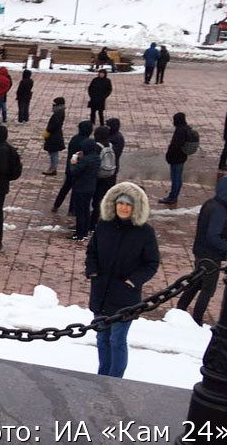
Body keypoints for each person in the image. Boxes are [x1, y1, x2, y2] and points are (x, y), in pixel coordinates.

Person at [87, 182, 159, 378]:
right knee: (102, 338)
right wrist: (92, 271)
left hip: (124, 297)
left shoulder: (145, 232)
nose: (124, 208)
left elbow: (151, 263)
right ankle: (103, 376)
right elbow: (92, 251)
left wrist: (132, 281)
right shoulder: (104, 225)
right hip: (101, 292)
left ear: (136, 207)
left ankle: (115, 379)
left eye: (129, 204)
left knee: (117, 340)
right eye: (120, 203)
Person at [178, 177, 227, 325]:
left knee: (196, 282)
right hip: (210, 256)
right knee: (207, 289)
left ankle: (180, 309)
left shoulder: (211, 204)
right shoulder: (219, 210)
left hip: (201, 252)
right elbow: (213, 236)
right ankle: (197, 319)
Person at [53, 120, 93, 212]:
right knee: (75, 190)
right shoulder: (86, 142)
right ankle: (72, 210)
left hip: (70, 166)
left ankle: (56, 205)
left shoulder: (75, 138)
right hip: (79, 169)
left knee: (66, 187)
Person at [69, 139, 101, 241]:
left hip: (81, 188)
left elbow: (74, 172)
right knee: (86, 210)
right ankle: (85, 232)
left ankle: (79, 234)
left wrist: (73, 162)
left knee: (80, 212)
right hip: (91, 187)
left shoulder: (85, 160)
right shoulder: (96, 158)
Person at [161, 112, 192, 204]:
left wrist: (169, 155)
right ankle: (174, 195)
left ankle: (173, 197)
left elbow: (175, 145)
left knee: (175, 178)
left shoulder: (180, 131)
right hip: (182, 157)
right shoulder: (186, 129)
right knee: (178, 177)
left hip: (176, 157)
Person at [92, 126, 118, 229]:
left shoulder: (97, 147)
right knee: (104, 199)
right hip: (109, 175)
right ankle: (103, 218)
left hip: (98, 176)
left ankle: (93, 222)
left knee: (95, 201)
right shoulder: (110, 145)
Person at [42, 97, 67, 175]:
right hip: (55, 135)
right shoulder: (59, 112)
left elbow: (54, 125)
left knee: (53, 153)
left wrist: (48, 130)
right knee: (53, 153)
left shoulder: (58, 114)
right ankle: (52, 167)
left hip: (54, 137)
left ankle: (53, 168)